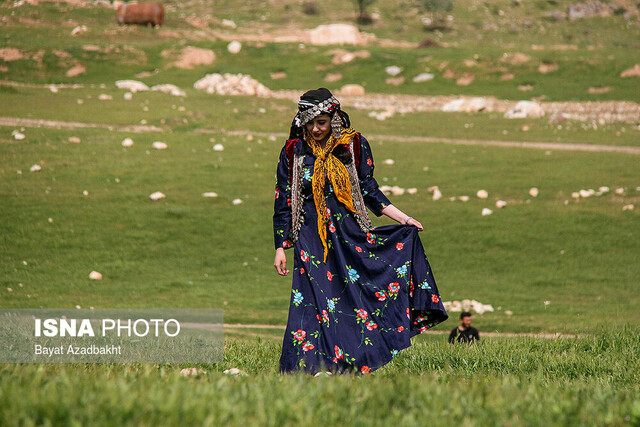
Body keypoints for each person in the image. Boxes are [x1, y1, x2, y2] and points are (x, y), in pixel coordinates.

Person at [273, 87, 448, 375]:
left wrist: (403, 218)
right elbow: (284, 197)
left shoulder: (352, 145)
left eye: (322, 123)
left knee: (348, 296)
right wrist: (281, 245)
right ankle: (311, 367)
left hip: (347, 232)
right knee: (313, 299)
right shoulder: (293, 151)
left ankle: (347, 360)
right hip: (309, 236)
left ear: (334, 118)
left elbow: (368, 189)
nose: (315, 129)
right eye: (310, 123)